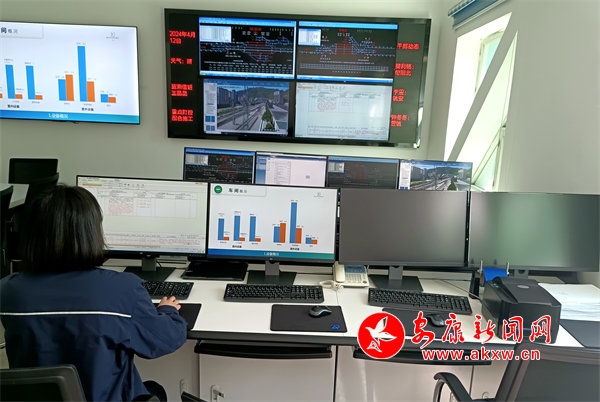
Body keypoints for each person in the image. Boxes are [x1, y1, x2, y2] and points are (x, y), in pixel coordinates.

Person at [0, 185, 187, 401]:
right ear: (91, 232)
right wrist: (168, 311)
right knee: (155, 390)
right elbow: (165, 340)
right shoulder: (122, 289)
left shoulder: (8, 291)